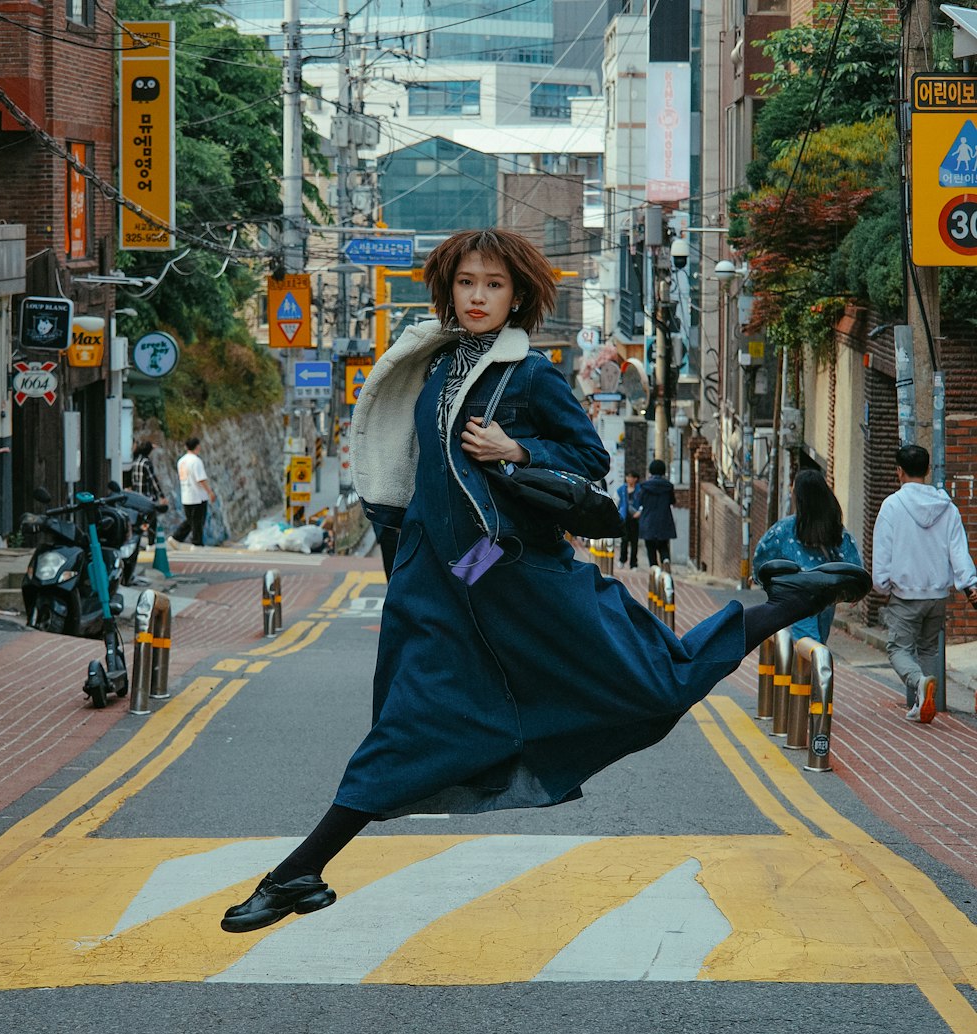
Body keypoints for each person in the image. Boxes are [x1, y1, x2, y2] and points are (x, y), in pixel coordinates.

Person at [221, 228, 871, 934]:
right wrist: (418, 567)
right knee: (407, 726)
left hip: (514, 572)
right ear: (447, 287)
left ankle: (793, 598)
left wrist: (517, 447)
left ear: (518, 296)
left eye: (494, 285)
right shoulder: (437, 367)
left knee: (657, 681)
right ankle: (299, 870)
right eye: (467, 282)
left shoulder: (528, 375)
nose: (478, 296)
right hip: (442, 581)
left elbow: (589, 455)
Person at [871, 443, 977, 723]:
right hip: (937, 594)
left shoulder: (892, 506)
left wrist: (881, 586)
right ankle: (923, 707)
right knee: (929, 648)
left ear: (899, 472)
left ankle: (919, 683)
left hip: (905, 594)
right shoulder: (947, 507)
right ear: (928, 470)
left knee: (898, 649)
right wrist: (969, 583)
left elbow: (882, 551)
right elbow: (958, 551)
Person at [752, 468, 863, 644]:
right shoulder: (835, 528)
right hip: (826, 596)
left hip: (797, 594)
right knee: (818, 644)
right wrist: (854, 591)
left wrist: (762, 581)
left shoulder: (785, 529)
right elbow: (853, 564)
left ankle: (809, 670)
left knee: (806, 644)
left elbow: (761, 558)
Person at [173, 435, 215, 546]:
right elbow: (201, 479)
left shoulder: (181, 461)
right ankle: (195, 543)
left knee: (191, 521)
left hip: (186, 494)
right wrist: (210, 492)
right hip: (198, 496)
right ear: (197, 446)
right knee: (198, 521)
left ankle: (177, 539)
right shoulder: (196, 461)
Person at [638, 459, 677, 568]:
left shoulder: (645, 487)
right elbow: (672, 501)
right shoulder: (668, 486)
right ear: (663, 471)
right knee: (663, 546)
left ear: (650, 471)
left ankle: (654, 568)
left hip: (648, 521)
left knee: (651, 549)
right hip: (664, 520)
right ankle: (665, 560)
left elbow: (640, 501)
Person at [616, 469, 641, 569]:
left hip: (636, 518)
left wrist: (640, 512)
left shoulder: (640, 490)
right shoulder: (622, 489)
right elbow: (616, 501)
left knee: (634, 542)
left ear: (635, 479)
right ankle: (622, 559)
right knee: (624, 540)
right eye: (627, 477)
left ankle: (633, 563)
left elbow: (643, 503)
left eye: (631, 477)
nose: (628, 479)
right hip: (624, 518)